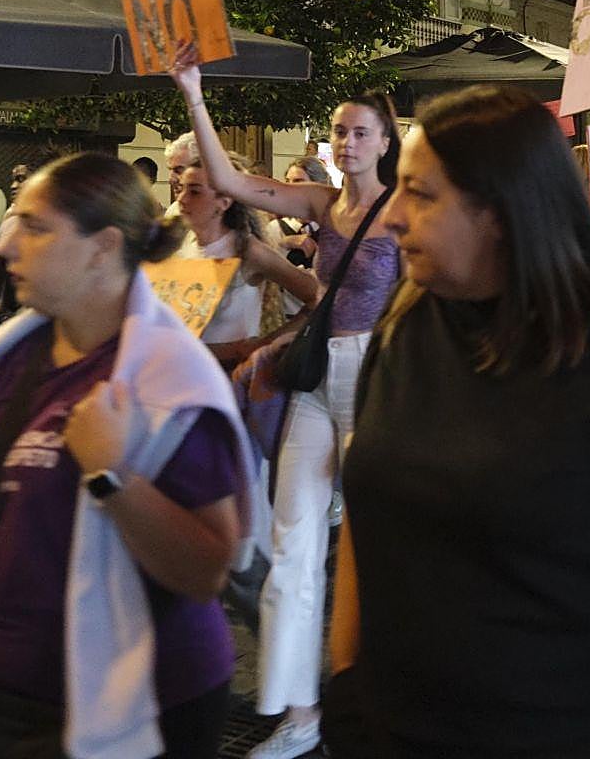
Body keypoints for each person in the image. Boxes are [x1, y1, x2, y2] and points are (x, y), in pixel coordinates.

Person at [323, 85, 590, 757]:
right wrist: (347, 684)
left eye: (422, 194)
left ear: (500, 209)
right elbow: (366, 512)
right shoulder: (406, 324)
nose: (392, 219)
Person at [0, 153, 253, 759]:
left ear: (103, 247)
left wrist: (112, 475)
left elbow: (207, 570)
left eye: (37, 227)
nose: (10, 245)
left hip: (131, 705)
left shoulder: (164, 381)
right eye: (15, 222)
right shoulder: (2, 361)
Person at [168, 43, 400, 759]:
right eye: (339, 130)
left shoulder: (403, 211)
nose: (348, 141)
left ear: (386, 142)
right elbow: (233, 181)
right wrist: (194, 92)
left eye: (362, 131)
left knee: (378, 547)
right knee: (293, 546)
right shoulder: (323, 204)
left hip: (376, 376)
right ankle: (299, 713)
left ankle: (385, 699)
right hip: (314, 378)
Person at [173, 164, 321, 355]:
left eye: (194, 192)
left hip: (230, 376)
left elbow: (316, 298)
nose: (181, 199)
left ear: (224, 202)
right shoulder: (182, 243)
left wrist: (259, 348)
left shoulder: (248, 250)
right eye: (181, 188)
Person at [278, 156, 331, 267]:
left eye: (298, 181)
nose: (289, 187)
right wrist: (283, 244)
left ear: (318, 185)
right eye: (287, 181)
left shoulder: (335, 228)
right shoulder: (276, 228)